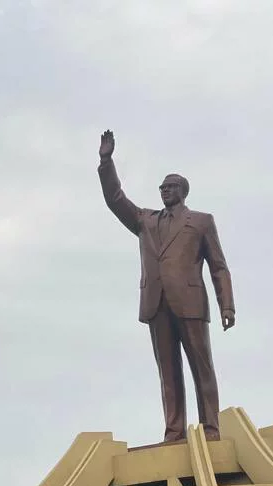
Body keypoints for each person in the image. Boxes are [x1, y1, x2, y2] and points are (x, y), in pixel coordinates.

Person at [98, 129, 235, 442]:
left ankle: (211, 428)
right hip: (156, 304)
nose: (165, 192)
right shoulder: (146, 221)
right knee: (168, 373)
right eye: (162, 188)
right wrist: (107, 161)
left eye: (171, 187)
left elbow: (219, 267)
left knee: (202, 368)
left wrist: (226, 304)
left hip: (190, 303)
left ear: (183, 191)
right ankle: (174, 431)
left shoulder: (200, 222)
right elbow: (115, 199)